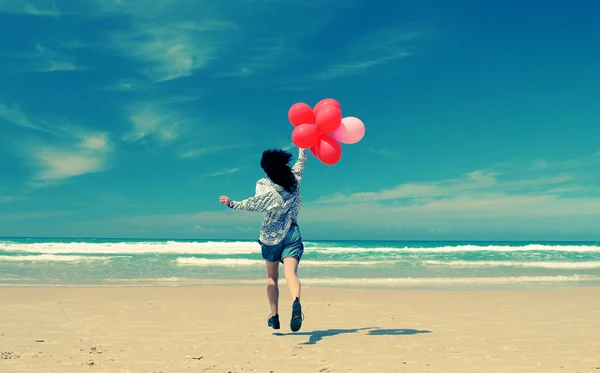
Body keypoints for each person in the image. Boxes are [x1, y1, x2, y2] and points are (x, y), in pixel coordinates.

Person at [219, 147, 307, 332]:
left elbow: (253, 204)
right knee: (291, 274)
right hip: (291, 232)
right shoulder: (294, 180)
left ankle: (274, 317)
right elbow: (301, 164)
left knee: (271, 278)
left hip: (270, 238)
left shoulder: (264, 185)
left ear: (266, 168)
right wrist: (302, 148)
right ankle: (296, 302)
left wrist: (231, 203)